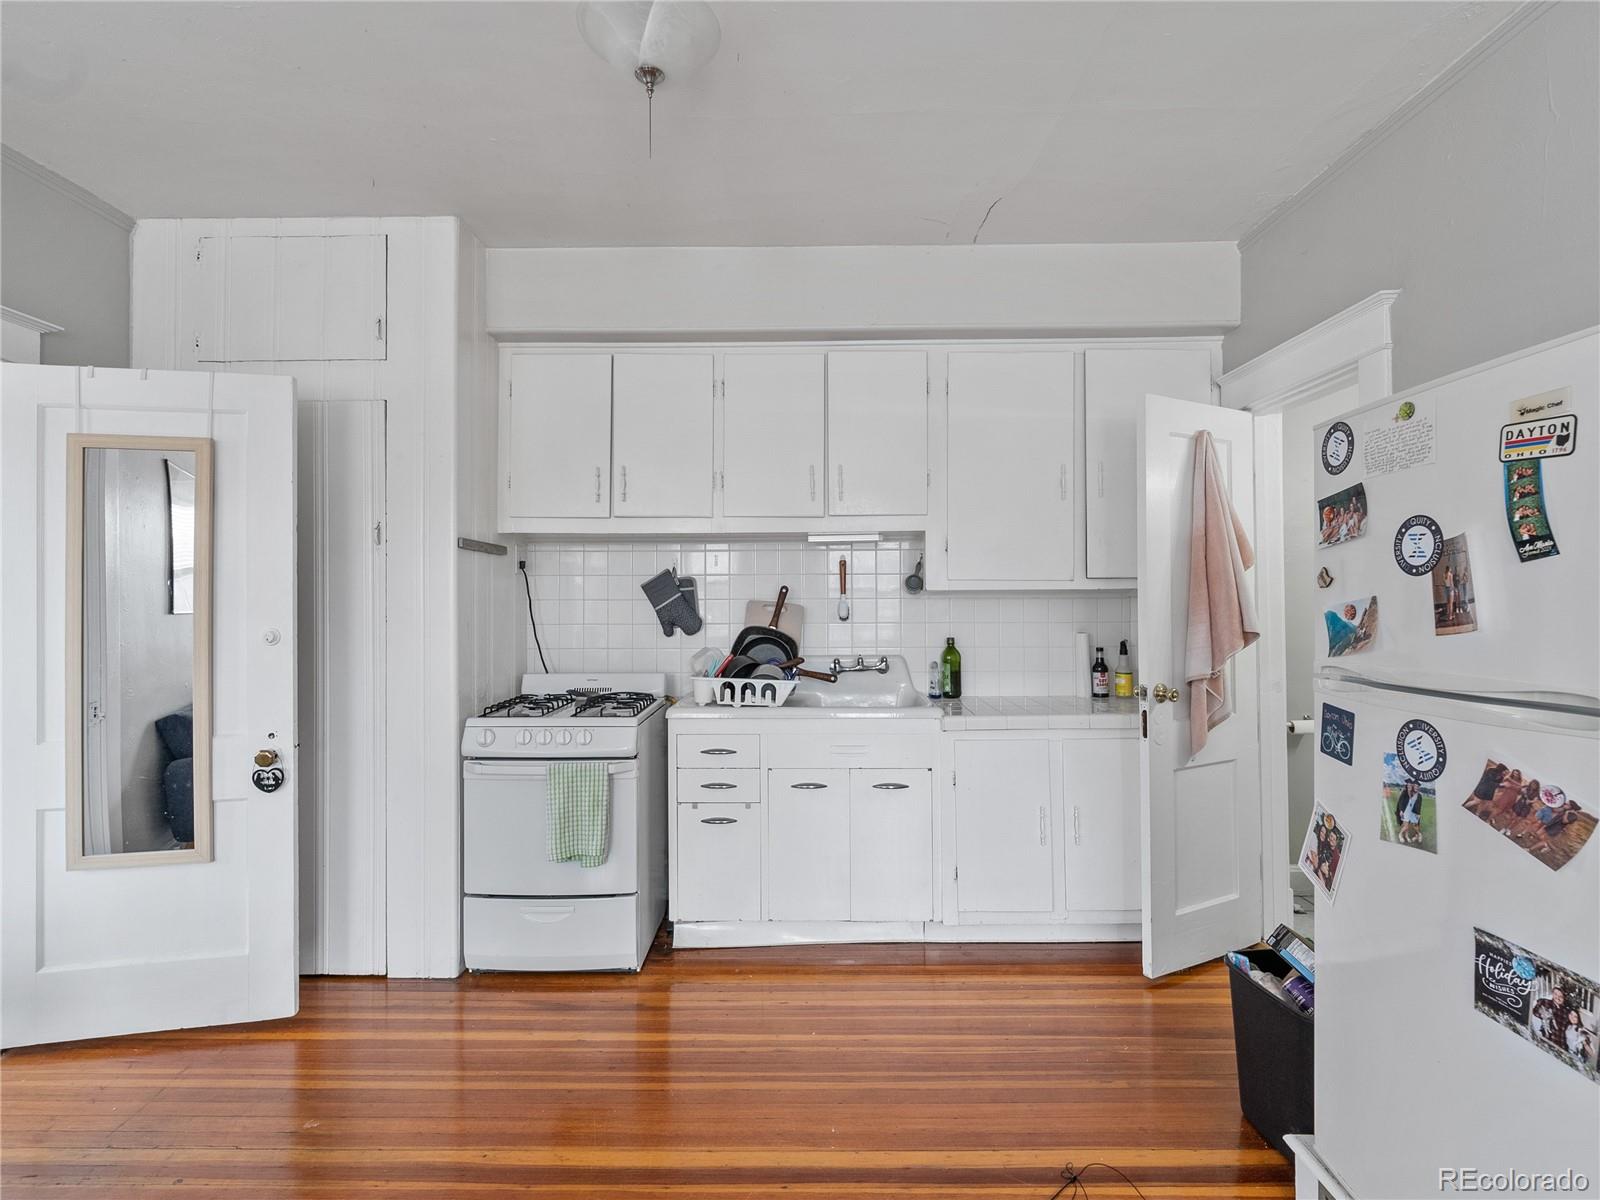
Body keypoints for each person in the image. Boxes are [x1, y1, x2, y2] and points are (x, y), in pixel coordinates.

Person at [1394, 779, 1425, 846]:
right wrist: (1401, 810)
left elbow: (1419, 805)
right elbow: (1401, 801)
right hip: (1406, 811)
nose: (1416, 787)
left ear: (1418, 787)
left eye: (1417, 786)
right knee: (1406, 826)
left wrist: (1418, 814)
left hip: (1414, 812)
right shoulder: (1407, 792)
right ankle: (1403, 835)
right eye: (1415, 786)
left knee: (1415, 825)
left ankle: (1419, 835)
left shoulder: (1419, 795)